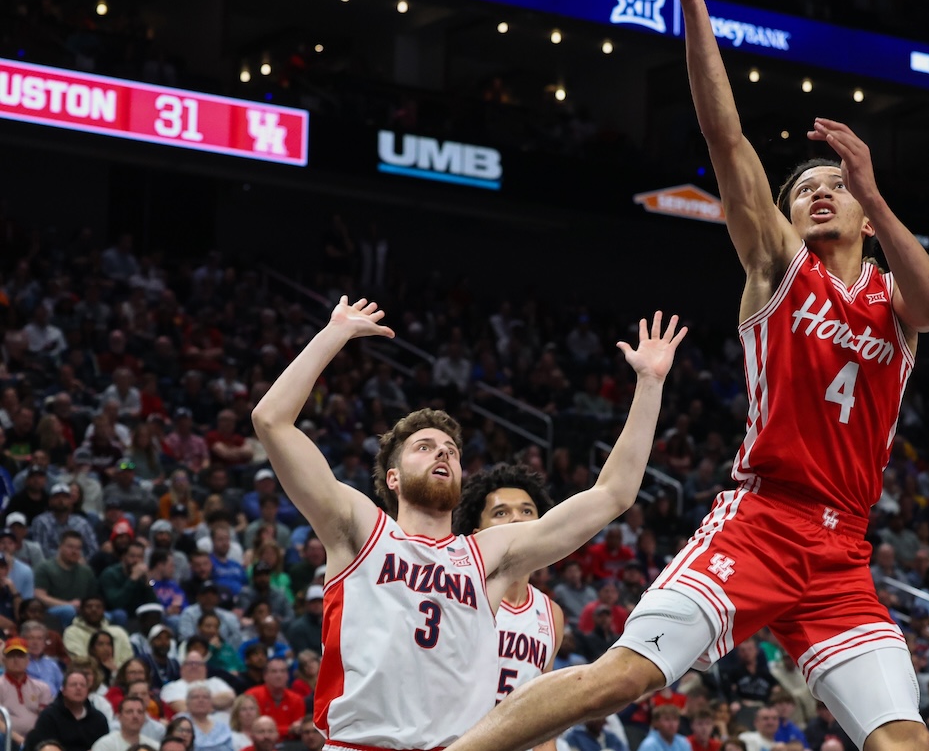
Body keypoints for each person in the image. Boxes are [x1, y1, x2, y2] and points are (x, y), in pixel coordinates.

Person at [447, 0, 929, 751]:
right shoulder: (778, 269)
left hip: (842, 556)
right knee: (617, 680)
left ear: (865, 207)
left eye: (837, 184)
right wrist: (692, 0)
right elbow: (726, 137)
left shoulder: (897, 300)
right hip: (762, 520)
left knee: (909, 743)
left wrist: (875, 182)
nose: (820, 193)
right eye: (805, 189)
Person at [251, 298, 686, 751]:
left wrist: (650, 383)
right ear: (393, 478)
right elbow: (271, 421)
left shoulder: (487, 557)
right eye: (424, 446)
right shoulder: (358, 527)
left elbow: (612, 495)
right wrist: (334, 333)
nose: (442, 452)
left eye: (451, 451)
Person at [453, 463, 567, 751]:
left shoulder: (551, 614)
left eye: (527, 511)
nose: (518, 519)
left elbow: (542, 716)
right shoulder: (457, 593)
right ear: (478, 533)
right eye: (501, 513)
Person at [24, 666, 110, 751]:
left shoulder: (99, 719)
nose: (78, 688)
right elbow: (45, 748)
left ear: (88, 691)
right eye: (73, 685)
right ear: (64, 690)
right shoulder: (49, 716)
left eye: (83, 685)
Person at [36, 532, 99, 629]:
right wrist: (69, 605)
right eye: (70, 547)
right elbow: (40, 596)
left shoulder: (86, 571)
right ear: (60, 547)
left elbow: (93, 597)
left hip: (81, 610)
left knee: (110, 616)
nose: (74, 551)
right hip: (51, 612)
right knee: (68, 611)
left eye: (78, 548)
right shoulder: (45, 568)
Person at [0, 635, 54, 743]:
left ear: (27, 660)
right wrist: (19, 740)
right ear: (4, 660)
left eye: (20, 656)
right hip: (6, 739)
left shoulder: (41, 687)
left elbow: (46, 719)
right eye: (11, 656)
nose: (15, 660)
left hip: (35, 739)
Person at [163, 653, 236, 715]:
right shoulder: (172, 687)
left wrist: (197, 703)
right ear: (182, 668)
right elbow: (182, 708)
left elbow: (230, 697)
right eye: (190, 663)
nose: (194, 666)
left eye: (198, 663)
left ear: (205, 668)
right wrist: (217, 703)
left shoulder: (216, 682)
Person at [89, 693, 157, 751]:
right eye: (129, 711)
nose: (135, 716)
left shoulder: (154, 746)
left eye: (140, 712)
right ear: (119, 717)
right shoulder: (104, 746)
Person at [182, 684, 237, 751]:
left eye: (205, 697)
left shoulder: (222, 726)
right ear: (187, 702)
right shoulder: (180, 722)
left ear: (211, 703)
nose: (201, 700)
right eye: (195, 697)